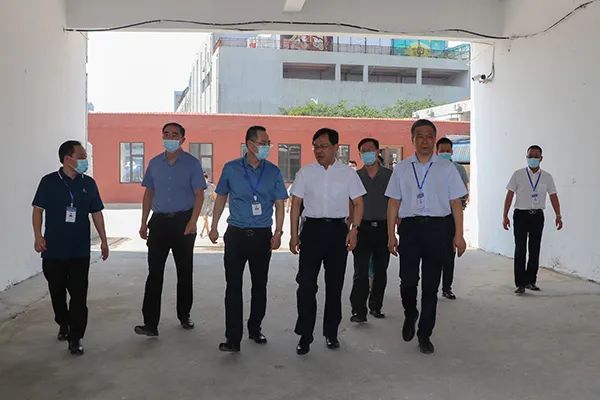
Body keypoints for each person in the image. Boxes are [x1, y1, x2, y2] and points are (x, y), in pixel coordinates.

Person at [385, 119, 467, 354]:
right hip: (410, 229)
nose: (425, 140)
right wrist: (390, 235)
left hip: (438, 229)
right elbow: (393, 203)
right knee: (408, 281)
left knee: (431, 286)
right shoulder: (402, 168)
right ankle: (410, 313)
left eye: (429, 136)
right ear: (412, 139)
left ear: (434, 139)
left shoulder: (446, 168)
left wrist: (459, 235)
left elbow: (456, 203)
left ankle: (424, 334)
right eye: (419, 136)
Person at [209, 126, 288, 352]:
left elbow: (280, 203)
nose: (267, 147)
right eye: (263, 143)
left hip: (262, 235)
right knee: (233, 286)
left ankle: (255, 328)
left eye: (268, 143)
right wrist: (213, 226)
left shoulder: (273, 171)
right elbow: (221, 197)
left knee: (259, 285)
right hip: (236, 234)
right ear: (250, 144)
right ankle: (233, 338)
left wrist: (278, 232)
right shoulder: (231, 168)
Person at [290, 128, 366, 355]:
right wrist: (293, 234)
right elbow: (296, 204)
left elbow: (358, 203)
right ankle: (305, 334)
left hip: (337, 232)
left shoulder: (347, 174)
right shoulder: (306, 172)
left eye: (323, 146)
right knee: (306, 285)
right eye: (315, 146)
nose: (318, 151)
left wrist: (354, 230)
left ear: (335, 148)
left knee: (334, 286)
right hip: (311, 231)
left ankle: (331, 332)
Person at [32, 140, 109, 355]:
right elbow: (37, 210)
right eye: (81, 157)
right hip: (53, 250)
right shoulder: (48, 182)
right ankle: (63, 322)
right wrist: (38, 236)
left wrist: (104, 240)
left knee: (78, 295)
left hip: (79, 250)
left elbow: (97, 213)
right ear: (67, 159)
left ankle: (76, 338)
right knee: (56, 291)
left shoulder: (89, 184)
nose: (85, 160)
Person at [135, 122, 207, 337]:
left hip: (184, 222)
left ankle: (184, 315)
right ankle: (150, 324)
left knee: (184, 272)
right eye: (166, 134)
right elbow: (148, 193)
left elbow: (199, 194)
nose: (170, 138)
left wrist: (193, 221)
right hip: (158, 223)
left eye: (175, 135)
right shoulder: (154, 163)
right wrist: (143, 222)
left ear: (182, 139)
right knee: (154, 273)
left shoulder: (192, 164)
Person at [503, 145, 562, 295]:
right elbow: (509, 195)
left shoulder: (547, 177)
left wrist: (558, 215)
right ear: (526, 157)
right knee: (520, 249)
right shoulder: (518, 174)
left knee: (535, 249)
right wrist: (505, 215)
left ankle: (530, 281)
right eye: (530, 156)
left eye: (536, 156)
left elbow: (553, 196)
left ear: (541, 158)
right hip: (520, 215)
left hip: (537, 216)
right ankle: (520, 283)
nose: (533, 159)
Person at [349, 138, 393, 322]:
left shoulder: (389, 176)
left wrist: (393, 231)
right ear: (360, 155)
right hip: (362, 228)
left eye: (371, 150)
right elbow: (351, 204)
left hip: (383, 228)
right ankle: (359, 311)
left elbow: (395, 203)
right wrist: (351, 228)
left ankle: (376, 306)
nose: (367, 153)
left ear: (377, 152)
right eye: (364, 151)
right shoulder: (355, 177)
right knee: (360, 271)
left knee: (381, 271)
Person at [436, 137, 469, 300]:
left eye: (447, 151)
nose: (445, 153)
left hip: (451, 217)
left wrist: (460, 204)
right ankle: (432, 286)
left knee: (449, 253)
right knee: (434, 253)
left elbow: (464, 193)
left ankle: (447, 287)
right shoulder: (429, 169)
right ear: (436, 152)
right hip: (434, 217)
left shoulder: (458, 169)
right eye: (442, 151)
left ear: (452, 152)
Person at [200, 172, 216, 238]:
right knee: (205, 218)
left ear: (207, 178)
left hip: (209, 204)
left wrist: (212, 197)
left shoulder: (211, 186)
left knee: (205, 218)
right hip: (203, 205)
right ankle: (207, 231)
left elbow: (214, 196)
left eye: (205, 178)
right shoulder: (200, 186)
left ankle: (203, 232)